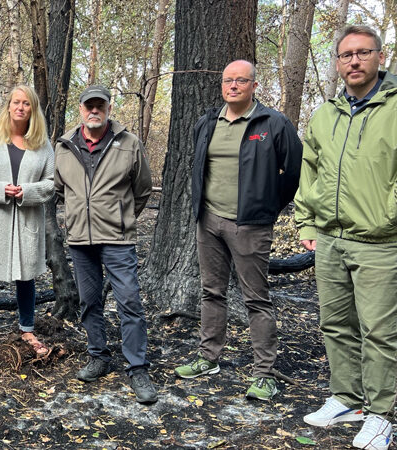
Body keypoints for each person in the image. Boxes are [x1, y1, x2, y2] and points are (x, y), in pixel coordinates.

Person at [174, 60, 302, 401]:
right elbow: (199, 166)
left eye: (241, 80)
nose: (233, 86)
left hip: (250, 225)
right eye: (228, 80)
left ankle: (264, 373)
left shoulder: (273, 123)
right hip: (209, 221)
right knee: (211, 291)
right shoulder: (207, 123)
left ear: (253, 85)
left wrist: (266, 208)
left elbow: (292, 173)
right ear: (222, 85)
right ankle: (208, 357)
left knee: (256, 299)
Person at [295, 25, 396, 450]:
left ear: (380, 56)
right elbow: (309, 173)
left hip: (380, 240)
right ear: (337, 62)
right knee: (336, 324)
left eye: (363, 53)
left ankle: (381, 415)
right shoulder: (324, 114)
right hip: (330, 239)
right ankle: (348, 398)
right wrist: (305, 223)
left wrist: (390, 215)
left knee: (379, 331)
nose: (354, 61)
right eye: (346, 55)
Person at [54, 85, 157, 404]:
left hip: (117, 238)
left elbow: (142, 189)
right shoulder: (64, 146)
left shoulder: (129, 143)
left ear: (109, 108)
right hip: (80, 240)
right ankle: (98, 355)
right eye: (89, 106)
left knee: (129, 301)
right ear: (81, 110)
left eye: (100, 105)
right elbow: (61, 190)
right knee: (89, 301)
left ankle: (137, 367)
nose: (94, 110)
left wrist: (120, 217)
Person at [0, 85, 54, 360]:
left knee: (26, 278)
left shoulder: (42, 144)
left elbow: (51, 183)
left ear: (33, 109)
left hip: (28, 221)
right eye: (16, 102)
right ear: (8, 106)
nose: (20, 107)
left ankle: (27, 329)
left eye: (26, 104)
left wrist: (28, 192)